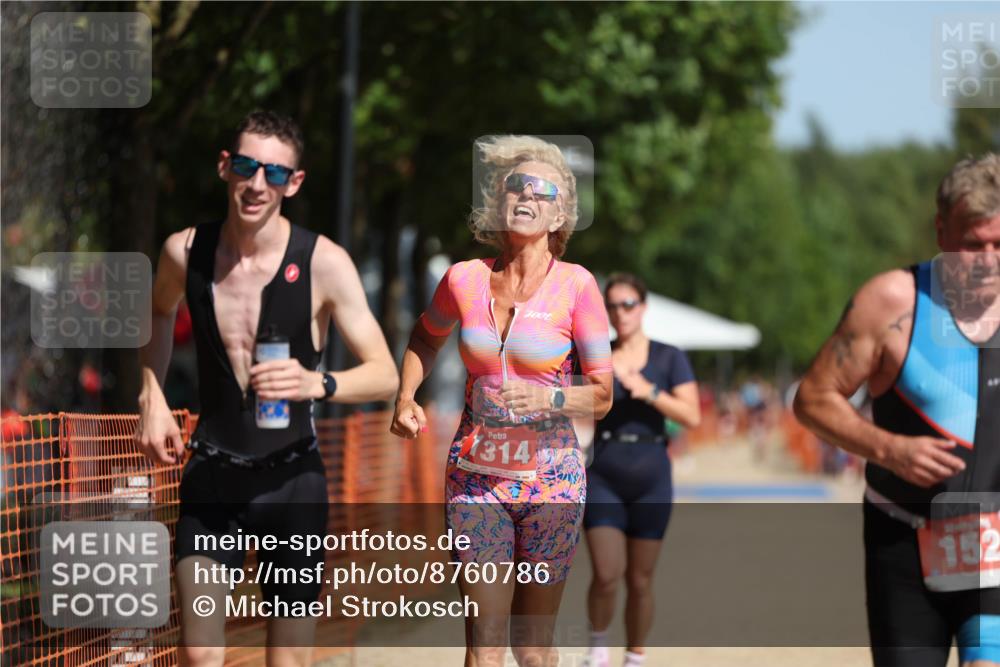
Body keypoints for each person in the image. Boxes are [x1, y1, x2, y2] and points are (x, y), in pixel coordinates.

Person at [134, 110, 399, 667]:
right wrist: (151, 395)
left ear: (293, 183)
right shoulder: (185, 252)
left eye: (275, 173)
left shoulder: (324, 263)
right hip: (213, 474)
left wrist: (317, 382)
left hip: (292, 482)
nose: (258, 184)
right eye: (247, 167)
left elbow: (385, 374)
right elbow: (158, 311)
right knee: (199, 653)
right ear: (225, 167)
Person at [390, 135, 613, 667]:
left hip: (551, 481)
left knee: (531, 648)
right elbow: (425, 338)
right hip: (476, 478)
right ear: (499, 199)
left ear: (561, 214)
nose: (526, 194)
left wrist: (548, 396)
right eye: (516, 185)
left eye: (542, 189)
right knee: (485, 647)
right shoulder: (463, 280)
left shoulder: (577, 287)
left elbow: (603, 395)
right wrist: (405, 396)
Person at [794, 153, 1000, 667]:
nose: (988, 261)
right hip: (903, 539)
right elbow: (813, 398)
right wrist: (889, 449)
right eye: (973, 244)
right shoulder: (892, 302)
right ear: (940, 230)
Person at [582, 272, 701, 667]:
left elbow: (692, 415)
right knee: (606, 573)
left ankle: (635, 656)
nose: (620, 313)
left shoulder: (669, 356)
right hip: (604, 473)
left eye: (628, 304)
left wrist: (648, 391)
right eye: (612, 306)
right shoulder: (597, 356)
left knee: (640, 579)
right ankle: (598, 649)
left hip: (652, 477)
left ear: (643, 307)